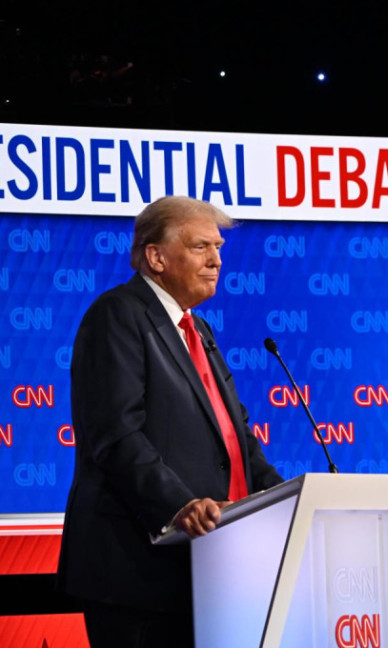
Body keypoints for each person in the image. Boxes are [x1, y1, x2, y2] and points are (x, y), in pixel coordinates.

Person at [57, 196, 284, 648]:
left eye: (218, 248)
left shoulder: (198, 330)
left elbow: (235, 438)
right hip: (136, 573)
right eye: (202, 247)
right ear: (156, 257)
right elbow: (116, 434)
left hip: (208, 568)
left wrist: (289, 500)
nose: (217, 260)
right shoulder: (117, 315)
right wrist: (179, 505)